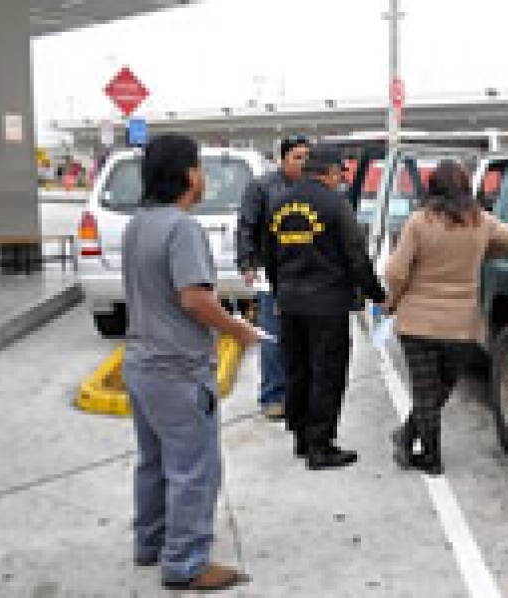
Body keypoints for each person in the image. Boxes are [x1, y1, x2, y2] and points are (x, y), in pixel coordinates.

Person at [122, 134, 259, 591]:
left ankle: (151, 540)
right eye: (199, 167)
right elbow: (195, 299)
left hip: (141, 363)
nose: (204, 177)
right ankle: (185, 562)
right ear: (188, 175)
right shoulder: (182, 229)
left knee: (153, 461)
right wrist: (238, 330)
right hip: (178, 368)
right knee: (194, 469)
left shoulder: (138, 224)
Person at [385, 160, 508, 475]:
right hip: (460, 326)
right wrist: (481, 252)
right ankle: (411, 440)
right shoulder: (480, 221)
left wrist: (392, 300)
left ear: (433, 187)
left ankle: (429, 456)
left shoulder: (419, 222)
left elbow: (396, 272)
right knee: (440, 390)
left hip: (417, 323)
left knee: (425, 392)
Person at [264, 144, 386, 470]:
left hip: (290, 302)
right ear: (330, 172)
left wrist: (280, 292)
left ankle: (301, 438)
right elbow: (356, 255)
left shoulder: (278, 203)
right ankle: (320, 445)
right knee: (327, 373)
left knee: (297, 370)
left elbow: (269, 255)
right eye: (339, 174)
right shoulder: (336, 205)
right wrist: (376, 293)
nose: (340, 179)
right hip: (327, 304)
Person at [237, 135, 310, 421]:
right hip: (272, 274)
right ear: (282, 159)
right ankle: (273, 396)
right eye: (297, 157)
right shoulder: (261, 187)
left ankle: (299, 394)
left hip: (306, 274)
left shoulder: (311, 188)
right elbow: (247, 226)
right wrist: (247, 263)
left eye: (306, 157)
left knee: (302, 337)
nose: (303, 163)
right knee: (273, 335)